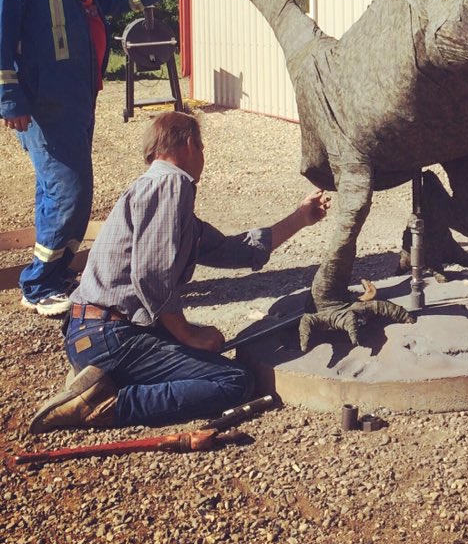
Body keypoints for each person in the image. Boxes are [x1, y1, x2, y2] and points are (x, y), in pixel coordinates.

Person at [29, 109, 330, 434]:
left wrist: (299, 218)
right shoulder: (172, 183)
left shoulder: (158, 192)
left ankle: (99, 379)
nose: (203, 157)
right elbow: (151, 275)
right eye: (202, 148)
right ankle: (107, 404)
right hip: (110, 337)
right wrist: (187, 333)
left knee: (210, 343)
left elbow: (234, 249)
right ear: (189, 143)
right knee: (233, 380)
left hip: (94, 333)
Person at [0, 0, 182, 316]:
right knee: (69, 191)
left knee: (67, 190)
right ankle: (38, 285)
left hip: (76, 98)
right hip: (45, 105)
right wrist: (10, 100)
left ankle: (58, 272)